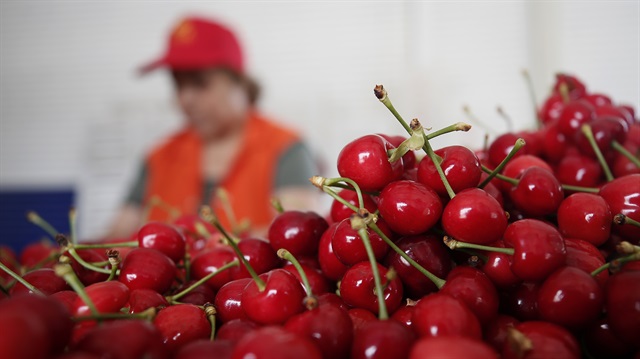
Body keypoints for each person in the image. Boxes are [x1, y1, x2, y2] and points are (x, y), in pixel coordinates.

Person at [107, 16, 319, 238]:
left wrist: (207, 249)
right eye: (178, 84)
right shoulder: (159, 157)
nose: (186, 99)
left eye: (200, 83)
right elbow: (115, 237)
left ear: (240, 83)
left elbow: (297, 235)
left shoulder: (285, 147)